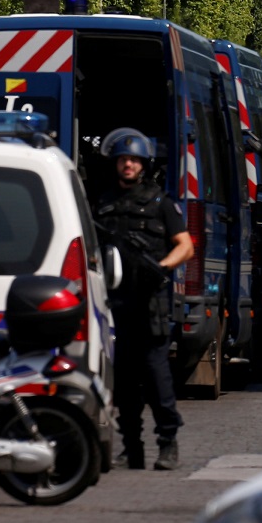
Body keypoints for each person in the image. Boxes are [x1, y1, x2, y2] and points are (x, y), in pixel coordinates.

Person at [94, 128, 194, 471]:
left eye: (134, 160)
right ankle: (131, 447)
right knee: (123, 383)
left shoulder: (159, 203)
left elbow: (185, 245)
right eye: (123, 160)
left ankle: (168, 443)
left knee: (157, 379)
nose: (128, 165)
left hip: (148, 304)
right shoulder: (103, 204)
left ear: (144, 164)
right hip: (115, 304)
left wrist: (163, 267)